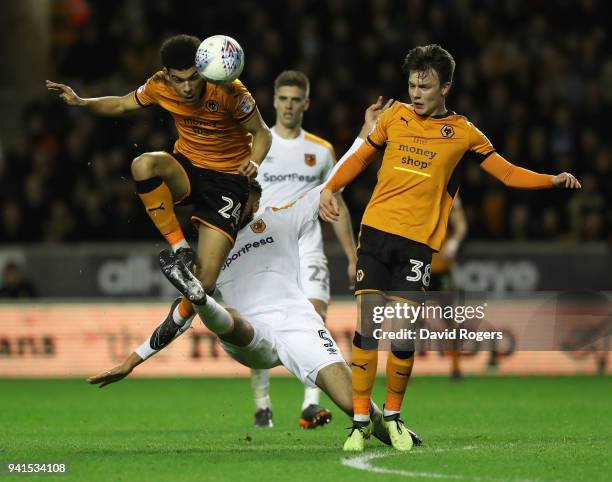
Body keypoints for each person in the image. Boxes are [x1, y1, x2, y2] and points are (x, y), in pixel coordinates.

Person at [87, 99, 421, 451]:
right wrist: (132, 361)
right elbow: (178, 318)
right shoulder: (212, 248)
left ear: (255, 202)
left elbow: (334, 182)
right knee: (227, 316)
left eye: (241, 197)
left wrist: (364, 133)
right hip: (248, 335)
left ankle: (387, 430)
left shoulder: (280, 217)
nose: (230, 205)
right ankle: (201, 297)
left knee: (352, 400)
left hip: (297, 323)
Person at [319, 44, 581, 452]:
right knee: (367, 327)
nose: (417, 93)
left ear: (446, 87)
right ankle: (358, 423)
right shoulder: (393, 116)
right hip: (375, 233)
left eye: (425, 86)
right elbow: (361, 158)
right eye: (411, 85)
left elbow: (508, 174)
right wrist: (331, 187)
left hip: (418, 244)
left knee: (403, 333)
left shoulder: (464, 133)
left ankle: (391, 418)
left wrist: (551, 179)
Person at [46, 34, 272, 317]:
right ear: (168, 75)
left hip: (227, 180)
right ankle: (180, 248)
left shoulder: (230, 91)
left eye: (194, 78)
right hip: (187, 169)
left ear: (203, 70)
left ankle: (170, 329)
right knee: (143, 165)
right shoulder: (158, 85)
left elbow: (261, 132)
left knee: (205, 284)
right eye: (180, 79)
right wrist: (82, 102)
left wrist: (255, 161)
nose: (187, 87)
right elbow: (120, 104)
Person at [250, 70, 358, 429]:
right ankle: (262, 402)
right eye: (283, 99)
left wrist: (352, 255)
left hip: (309, 247)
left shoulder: (321, 151)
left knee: (315, 318)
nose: (289, 106)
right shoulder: (258, 144)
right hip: (266, 252)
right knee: (259, 327)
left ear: (306, 104)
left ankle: (311, 404)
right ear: (274, 101)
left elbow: (335, 201)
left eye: (296, 100)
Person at [428, 197, 467, 381]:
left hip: (441, 268)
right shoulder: (414, 185)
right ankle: (398, 370)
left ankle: (456, 367)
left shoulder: (450, 194)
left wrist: (454, 243)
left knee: (450, 320)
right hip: (416, 265)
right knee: (405, 318)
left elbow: (460, 225)